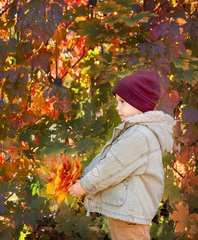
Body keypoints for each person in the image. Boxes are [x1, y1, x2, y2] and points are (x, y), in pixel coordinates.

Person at [67, 70, 174, 240]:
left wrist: (85, 185)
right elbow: (108, 159)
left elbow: (112, 167)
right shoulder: (134, 131)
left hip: (130, 215)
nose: (117, 107)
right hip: (125, 213)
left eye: (123, 102)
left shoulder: (139, 135)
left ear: (139, 102)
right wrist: (84, 176)